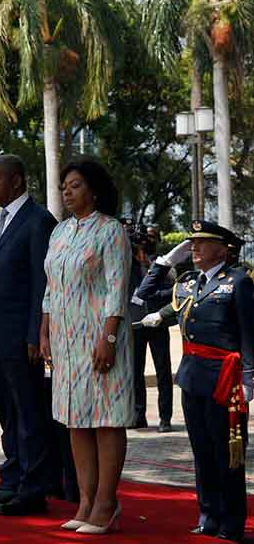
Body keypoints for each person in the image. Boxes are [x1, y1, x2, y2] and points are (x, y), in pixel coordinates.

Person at [138, 222, 254, 542]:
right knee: (201, 451)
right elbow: (141, 296)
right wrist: (166, 262)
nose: (195, 248)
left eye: (202, 243)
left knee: (227, 453)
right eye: (192, 243)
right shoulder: (188, 283)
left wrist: (249, 380)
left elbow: (249, 334)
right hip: (192, 377)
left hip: (225, 380)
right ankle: (208, 515)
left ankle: (231, 521)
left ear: (222, 249)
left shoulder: (239, 282)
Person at [39, 159, 133, 535]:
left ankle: (107, 503)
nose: (67, 191)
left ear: (93, 190)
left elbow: (117, 288)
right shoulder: (59, 232)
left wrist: (108, 338)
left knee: (105, 419)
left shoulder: (111, 231)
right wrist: (44, 331)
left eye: (75, 185)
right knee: (75, 419)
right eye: (64, 186)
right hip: (64, 341)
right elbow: (50, 288)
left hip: (99, 338)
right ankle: (85, 500)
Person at [0, 154, 56, 516]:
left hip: (20, 338)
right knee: (7, 415)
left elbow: (41, 282)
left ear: (16, 181)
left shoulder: (38, 221)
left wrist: (36, 333)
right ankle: (11, 482)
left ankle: (33, 489)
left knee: (28, 414)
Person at [127, 227, 174, 432]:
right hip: (136, 324)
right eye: (142, 240)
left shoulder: (162, 264)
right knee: (136, 371)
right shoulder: (127, 263)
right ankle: (139, 415)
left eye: (150, 239)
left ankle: (165, 418)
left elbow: (174, 290)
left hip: (156, 322)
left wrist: (153, 295)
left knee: (163, 370)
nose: (145, 243)